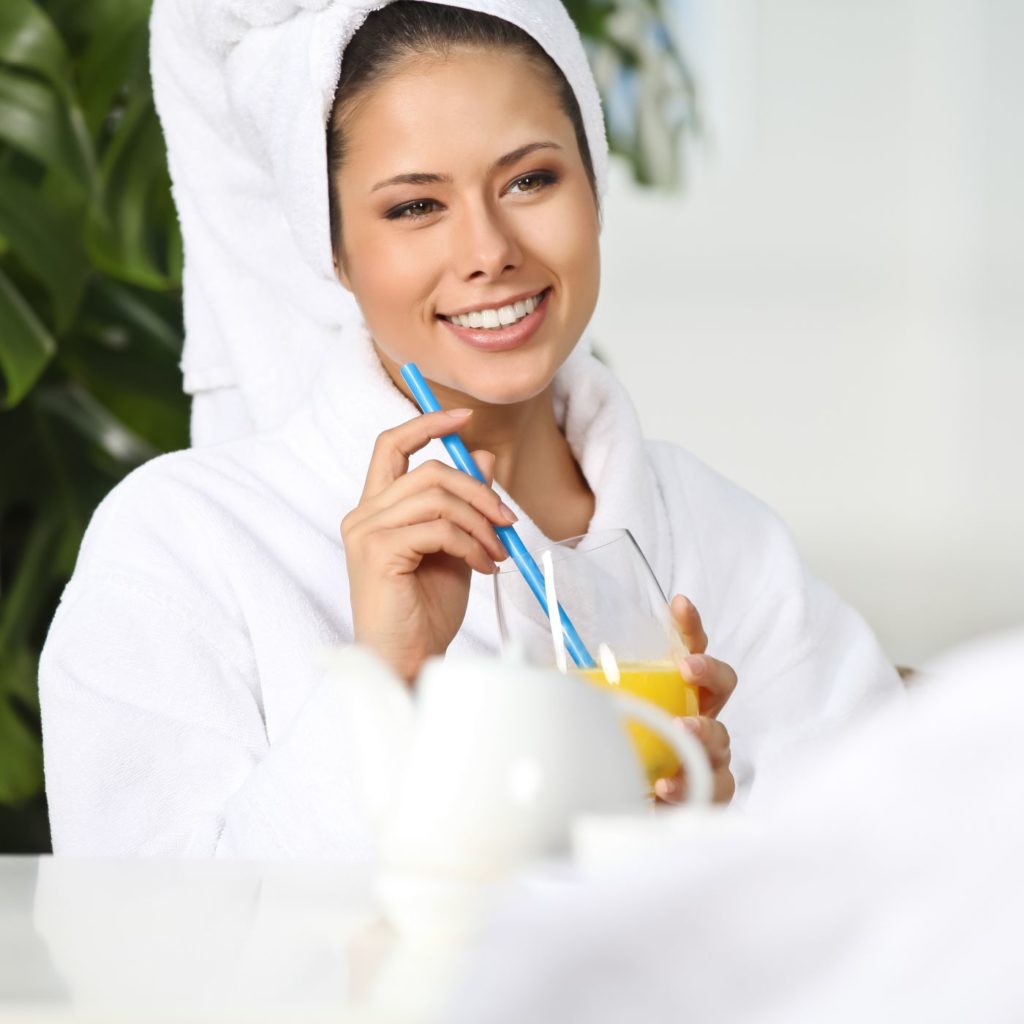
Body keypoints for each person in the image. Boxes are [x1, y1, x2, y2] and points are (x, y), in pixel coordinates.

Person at [38, 0, 901, 858]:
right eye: (415, 207)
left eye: (531, 180)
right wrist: (383, 680)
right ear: (332, 250)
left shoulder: (722, 538)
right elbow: (149, 950)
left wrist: (707, 839)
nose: (489, 249)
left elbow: (895, 893)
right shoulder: (183, 544)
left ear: (593, 188)